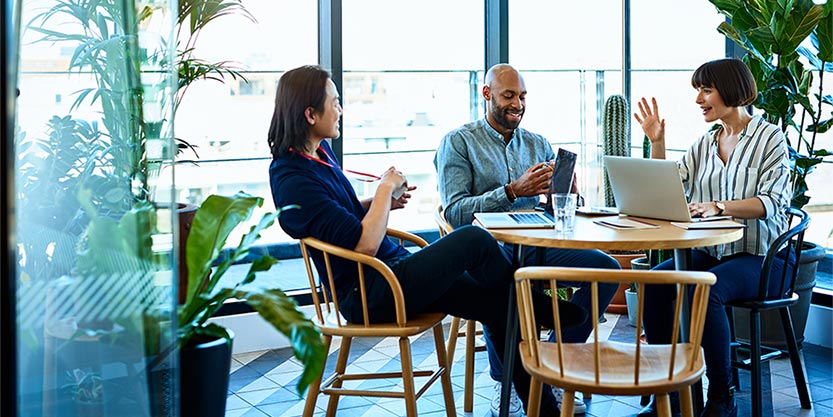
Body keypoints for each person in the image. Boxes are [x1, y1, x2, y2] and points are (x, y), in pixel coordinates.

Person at [268, 65, 586, 417]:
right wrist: (384, 188)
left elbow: (337, 216)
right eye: (335, 103)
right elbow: (363, 245)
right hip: (369, 292)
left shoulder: (318, 157)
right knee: (472, 240)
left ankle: (543, 409)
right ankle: (537, 304)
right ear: (310, 114)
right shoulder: (291, 177)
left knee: (501, 307)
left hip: (391, 272)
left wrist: (379, 203)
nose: (341, 110)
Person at [434, 63, 621, 416]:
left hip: (540, 243)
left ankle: (552, 365)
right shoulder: (458, 143)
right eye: (508, 96)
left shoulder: (538, 144)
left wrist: (566, 195)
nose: (517, 103)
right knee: (502, 283)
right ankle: (508, 381)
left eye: (521, 96)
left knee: (607, 269)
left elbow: (558, 210)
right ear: (486, 94)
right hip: (485, 252)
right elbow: (456, 211)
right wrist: (511, 191)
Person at [634, 58, 792, 417]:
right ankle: (672, 391)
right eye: (698, 91)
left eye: (706, 90)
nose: (698, 99)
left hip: (764, 258)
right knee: (656, 282)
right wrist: (657, 142)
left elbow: (772, 202)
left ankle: (723, 394)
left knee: (706, 288)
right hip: (718, 252)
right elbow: (670, 187)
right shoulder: (706, 143)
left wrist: (720, 205)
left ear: (731, 90)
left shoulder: (770, 138)